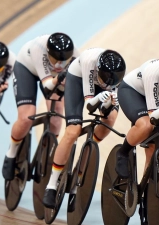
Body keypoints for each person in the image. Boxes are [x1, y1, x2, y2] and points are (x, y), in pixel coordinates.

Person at [42, 47, 127, 208]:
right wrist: (98, 98)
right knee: (72, 131)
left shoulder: (119, 73)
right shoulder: (90, 61)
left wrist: (108, 103)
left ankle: (83, 161)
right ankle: (51, 185)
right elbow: (90, 106)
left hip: (105, 88)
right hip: (78, 78)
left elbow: (106, 108)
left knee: (109, 121)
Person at [2, 32, 79, 180]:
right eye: (55, 60)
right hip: (28, 69)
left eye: (63, 62)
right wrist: (60, 79)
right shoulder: (39, 49)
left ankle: (46, 154)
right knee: (26, 117)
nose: (58, 65)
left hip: (54, 78)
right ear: (48, 53)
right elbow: (48, 86)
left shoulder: (76, 55)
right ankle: (11, 153)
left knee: (56, 117)